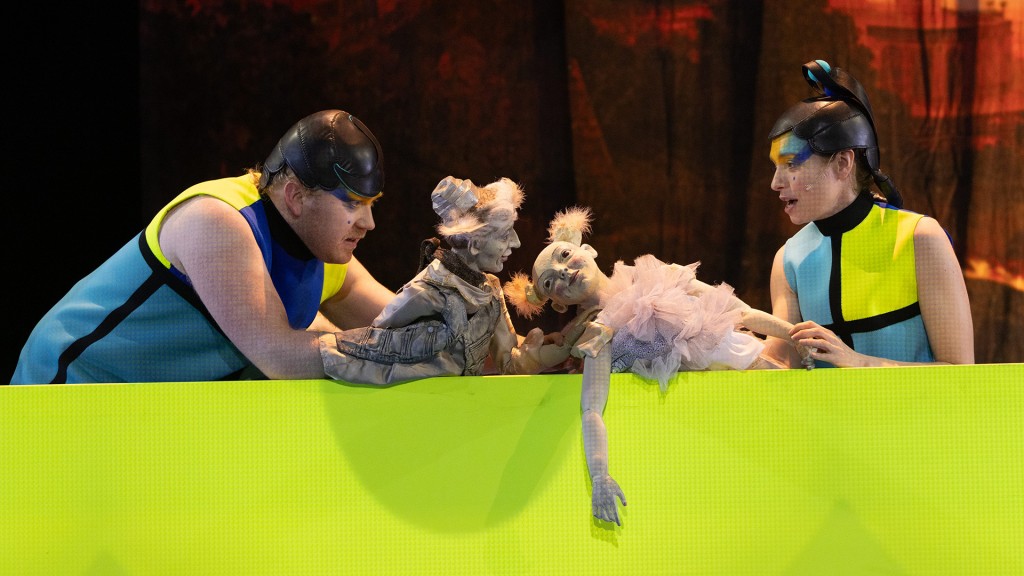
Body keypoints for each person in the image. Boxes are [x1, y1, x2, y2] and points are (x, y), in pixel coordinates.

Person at [12, 109, 395, 384]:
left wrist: (432, 317)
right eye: (352, 203)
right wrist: (398, 351)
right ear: (295, 196)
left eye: (371, 204)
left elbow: (397, 323)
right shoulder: (216, 220)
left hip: (143, 403)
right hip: (70, 380)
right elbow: (279, 355)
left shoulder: (326, 249)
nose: (368, 223)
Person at [504, 207, 811, 525]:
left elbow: (740, 312)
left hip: (760, 372)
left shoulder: (658, 276)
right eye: (550, 282)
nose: (563, 271)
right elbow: (592, 407)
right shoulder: (597, 333)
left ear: (588, 249)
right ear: (558, 304)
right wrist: (599, 476)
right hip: (714, 419)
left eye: (565, 255)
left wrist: (796, 336)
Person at [761, 60, 975, 368]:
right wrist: (714, 344)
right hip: (825, 406)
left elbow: (960, 373)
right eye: (775, 167)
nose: (776, 183)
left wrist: (858, 363)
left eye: (791, 164)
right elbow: (779, 371)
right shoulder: (788, 260)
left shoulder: (919, 239)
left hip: (911, 405)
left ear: (842, 163)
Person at [319, 176, 587, 384]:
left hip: (463, 410)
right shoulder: (429, 291)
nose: (516, 242)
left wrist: (547, 354)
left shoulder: (490, 291)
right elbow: (378, 344)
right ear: (474, 244)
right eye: (505, 235)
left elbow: (508, 363)